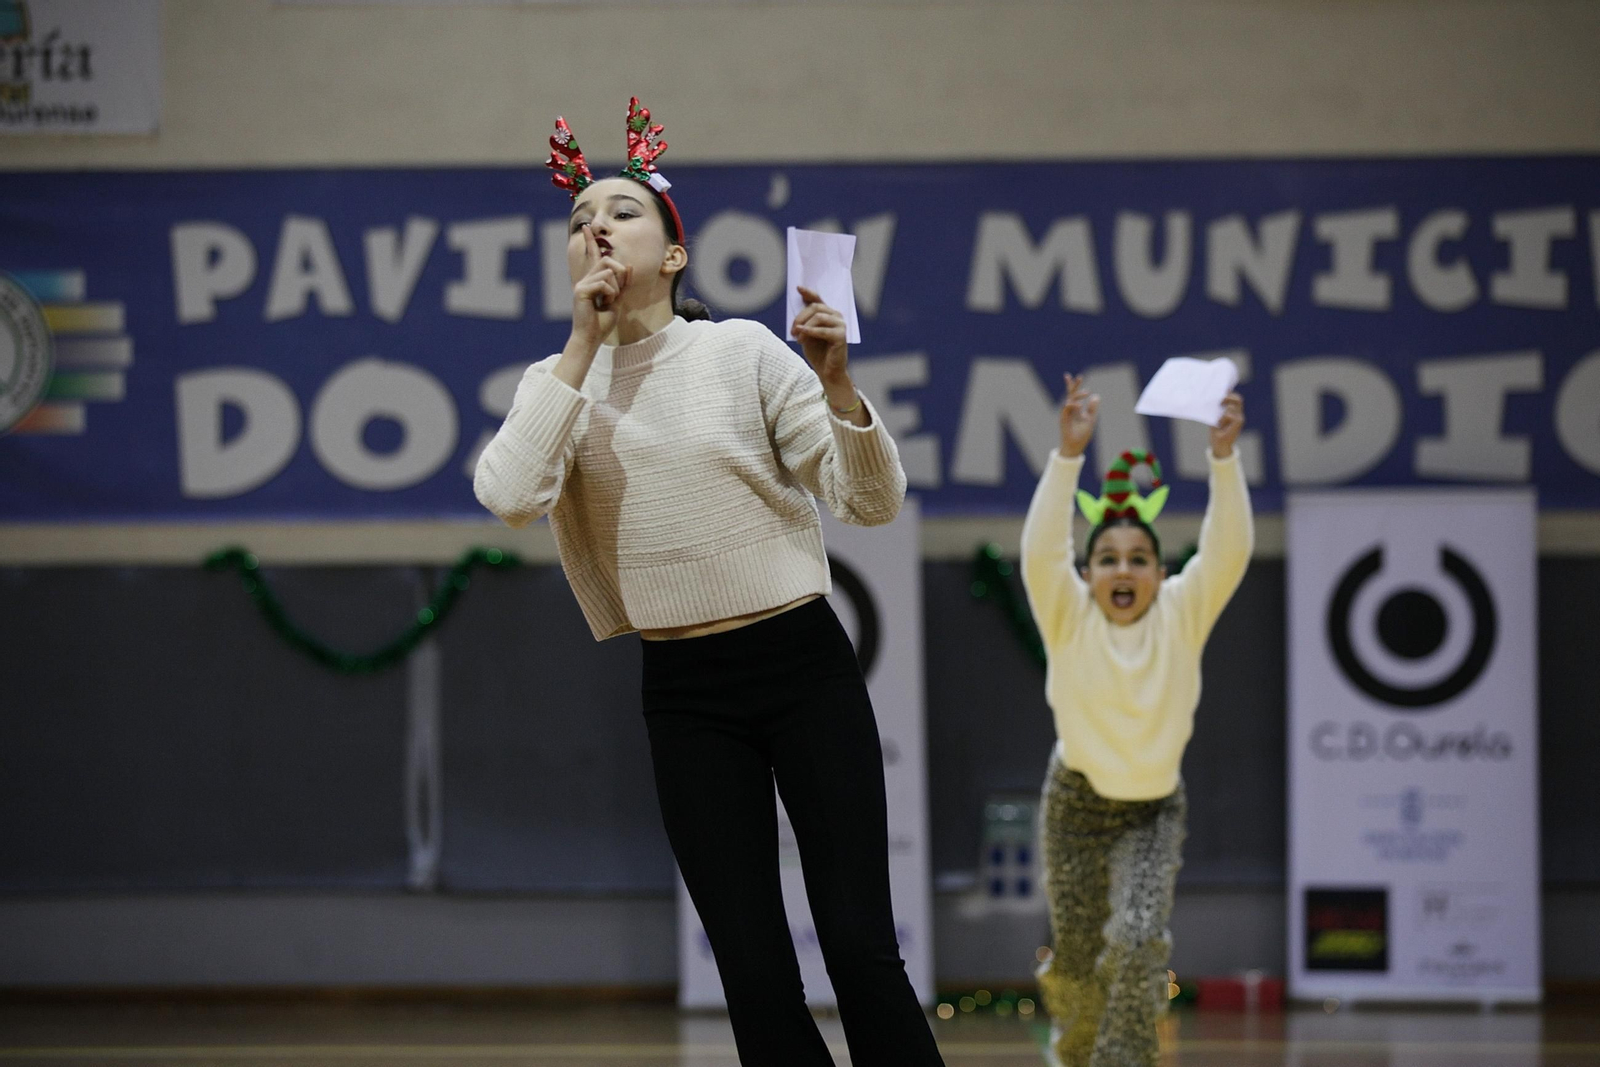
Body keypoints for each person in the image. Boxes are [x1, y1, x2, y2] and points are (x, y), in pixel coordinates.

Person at [474, 98, 944, 1067]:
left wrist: (839, 387)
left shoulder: (740, 350)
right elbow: (511, 495)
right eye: (577, 220)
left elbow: (868, 503)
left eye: (621, 211)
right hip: (684, 693)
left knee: (857, 942)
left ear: (675, 253)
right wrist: (581, 347)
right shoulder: (552, 380)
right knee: (752, 964)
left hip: (800, 666)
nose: (595, 225)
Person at [1020, 374, 1252, 1067]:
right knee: (1081, 952)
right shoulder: (1069, 614)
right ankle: (1076, 1039)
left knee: (1139, 936)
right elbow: (1039, 552)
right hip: (1075, 803)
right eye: (1108, 558)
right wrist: (1067, 457)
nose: (1124, 568)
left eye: (1139, 559)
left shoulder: (1185, 610)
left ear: (1160, 569)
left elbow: (1229, 548)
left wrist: (1223, 457)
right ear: (1088, 573)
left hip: (1154, 809)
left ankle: (1124, 1061)